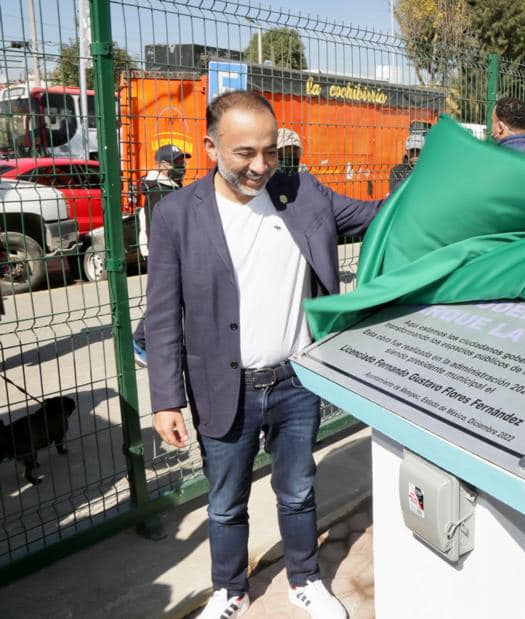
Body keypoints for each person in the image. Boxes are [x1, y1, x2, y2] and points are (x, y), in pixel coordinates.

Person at [146, 90, 382, 619]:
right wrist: (165, 399)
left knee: (297, 491)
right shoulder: (178, 215)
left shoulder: (302, 194)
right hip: (221, 388)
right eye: (244, 153)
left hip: (297, 382)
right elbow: (162, 314)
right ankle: (229, 591)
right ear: (210, 147)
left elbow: (377, 216)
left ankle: (304, 579)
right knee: (226, 503)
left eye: (270, 151)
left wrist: (439, 182)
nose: (260, 166)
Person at [133, 143, 191, 365]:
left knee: (175, 298)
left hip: (175, 251)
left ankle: (161, 342)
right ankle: (139, 342)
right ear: (163, 164)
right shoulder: (158, 190)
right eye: (177, 163)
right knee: (165, 299)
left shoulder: (172, 186)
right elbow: (153, 225)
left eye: (182, 162)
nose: (182, 166)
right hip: (163, 253)